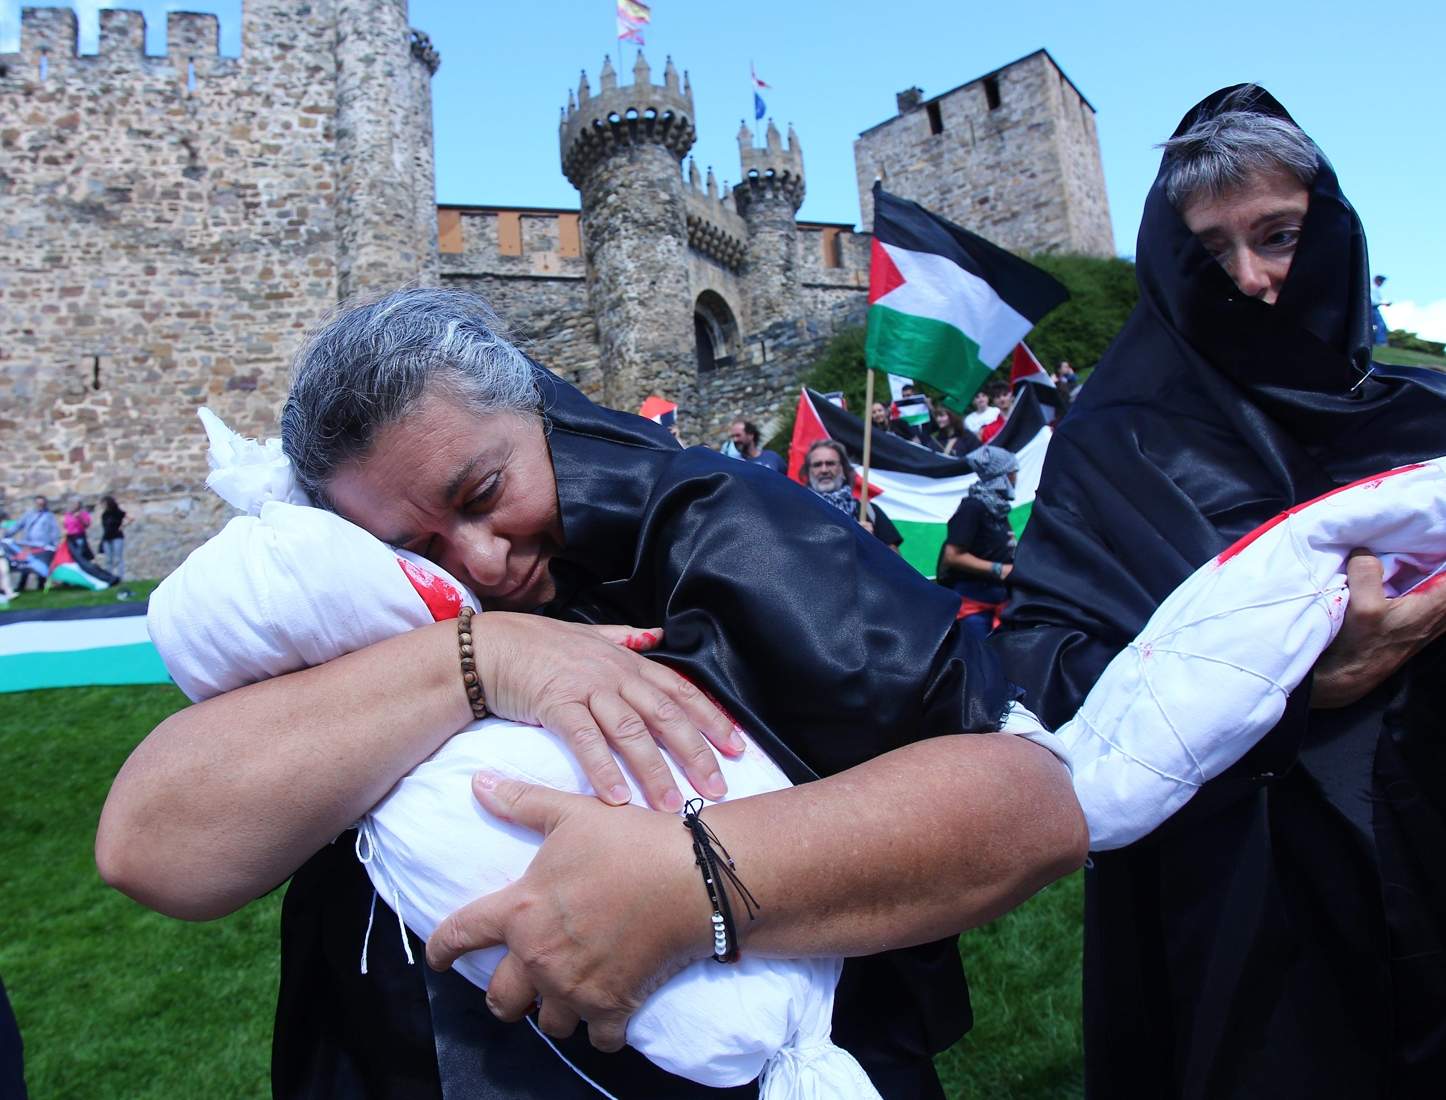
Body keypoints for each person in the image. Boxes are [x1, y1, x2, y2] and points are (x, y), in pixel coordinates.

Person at [98, 288, 1085, 1099]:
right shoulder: (366, 617)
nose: (481, 557)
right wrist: (484, 660)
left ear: (542, 415)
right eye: (415, 548)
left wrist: (698, 883)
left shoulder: (730, 529)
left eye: (484, 493)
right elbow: (151, 845)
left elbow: (1031, 805)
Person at [992, 85, 1446, 1099]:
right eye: (1210, 251)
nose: (1250, 277)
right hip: (1250, 893)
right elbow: (1044, 663)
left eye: (1279, 235)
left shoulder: (1426, 417)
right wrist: (1282, 682)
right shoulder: (1116, 440)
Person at [936, 446, 1018, 640]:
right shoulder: (972, 508)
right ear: (1002, 474)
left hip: (999, 601)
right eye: (1013, 471)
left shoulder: (997, 509)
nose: (1016, 476)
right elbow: (952, 555)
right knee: (980, 662)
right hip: (974, 609)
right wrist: (1000, 569)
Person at [802, 438, 903, 552]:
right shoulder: (799, 513)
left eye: (830, 464)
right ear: (808, 471)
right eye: (817, 465)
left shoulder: (869, 511)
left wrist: (873, 543)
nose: (824, 470)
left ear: (843, 469)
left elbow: (895, 563)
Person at [11, 496, 59, 590]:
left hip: (42, 546)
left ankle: (41, 587)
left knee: (41, 567)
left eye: (42, 504)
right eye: (38, 503)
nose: (40, 505)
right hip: (29, 545)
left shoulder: (49, 516)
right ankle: (21, 587)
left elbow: (54, 531)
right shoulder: (28, 515)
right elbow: (18, 525)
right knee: (26, 565)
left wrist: (54, 544)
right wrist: (7, 535)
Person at [99, 496, 126, 579]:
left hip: (117, 536)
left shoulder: (118, 512)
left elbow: (129, 518)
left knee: (118, 558)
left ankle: (120, 576)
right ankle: (109, 577)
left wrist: (122, 526)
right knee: (108, 559)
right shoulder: (104, 515)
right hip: (107, 538)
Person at [1370, 273, 1391, 345]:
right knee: (1381, 325)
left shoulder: (1375, 289)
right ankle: (1380, 342)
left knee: (1375, 326)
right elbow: (1372, 301)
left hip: (1374, 308)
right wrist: (1384, 303)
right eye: (1381, 281)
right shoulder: (1373, 288)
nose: (1382, 283)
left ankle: (1376, 341)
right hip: (1372, 308)